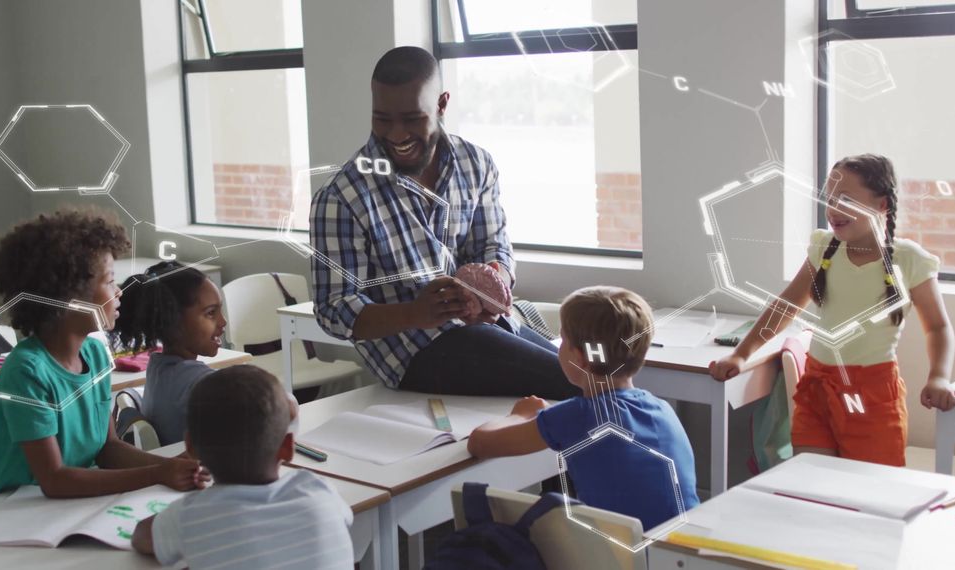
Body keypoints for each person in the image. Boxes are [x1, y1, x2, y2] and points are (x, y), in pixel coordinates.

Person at [311, 45, 577, 400]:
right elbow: (334, 310)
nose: (396, 135)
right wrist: (416, 313)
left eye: (412, 118)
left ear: (441, 104)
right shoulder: (341, 198)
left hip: (490, 326)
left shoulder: (475, 163)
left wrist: (492, 283)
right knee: (574, 384)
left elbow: (492, 246)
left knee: (591, 378)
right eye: (382, 119)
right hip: (413, 352)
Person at [710, 154, 955, 467]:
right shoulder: (824, 247)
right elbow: (785, 307)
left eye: (846, 200)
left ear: (882, 205)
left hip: (872, 396)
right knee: (814, 485)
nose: (833, 210)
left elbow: (938, 328)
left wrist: (939, 377)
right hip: (817, 387)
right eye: (829, 198)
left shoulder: (909, 259)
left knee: (868, 492)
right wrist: (741, 354)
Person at [0, 209, 208, 501]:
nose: (118, 292)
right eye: (109, 281)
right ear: (70, 297)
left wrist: (172, 465)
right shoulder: (26, 370)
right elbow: (55, 480)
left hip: (66, 505)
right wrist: (158, 473)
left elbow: (107, 448)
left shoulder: (95, 354)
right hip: (3, 511)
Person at [468, 286, 699, 530]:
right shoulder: (661, 408)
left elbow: (480, 443)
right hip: (684, 552)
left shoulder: (578, 416)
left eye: (563, 340)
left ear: (580, 358)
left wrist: (519, 415)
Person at [132, 365, 354, 569]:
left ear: (190, 448)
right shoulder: (318, 491)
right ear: (287, 447)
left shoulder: (191, 516)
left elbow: (141, 536)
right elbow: (347, 518)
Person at [110, 261, 226, 446]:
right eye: (211, 313)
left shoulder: (158, 367)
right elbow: (282, 408)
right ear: (173, 322)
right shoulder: (198, 382)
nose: (223, 322)